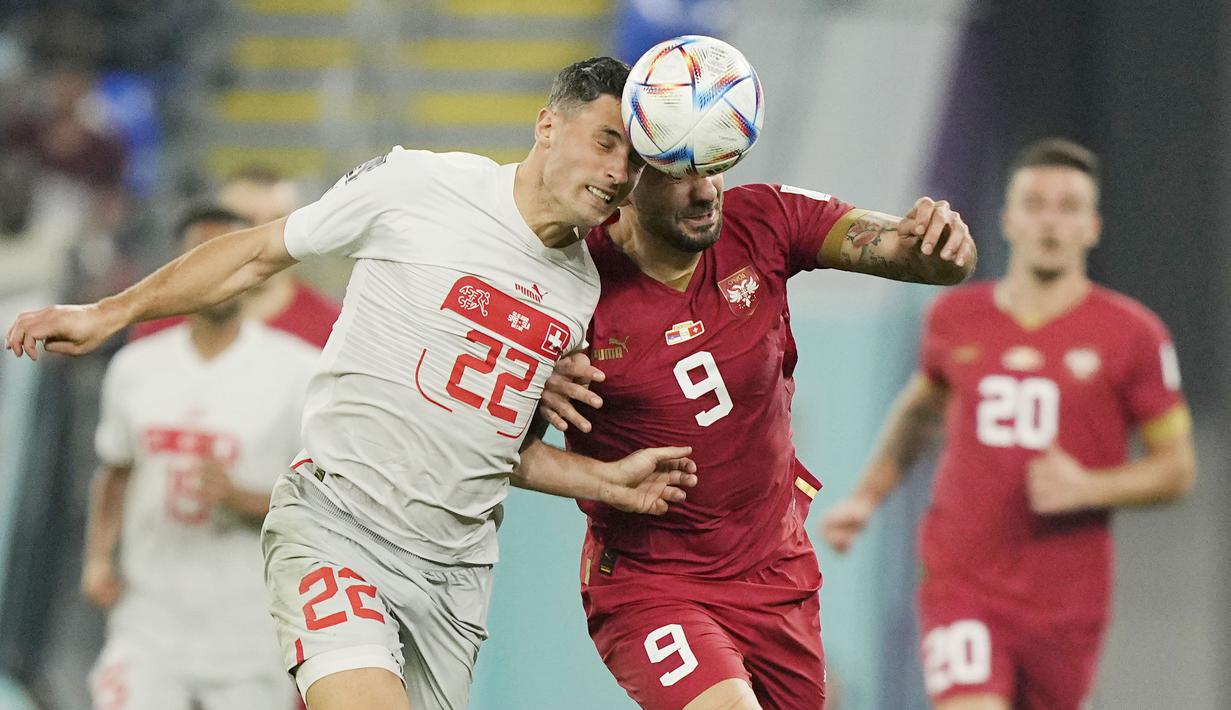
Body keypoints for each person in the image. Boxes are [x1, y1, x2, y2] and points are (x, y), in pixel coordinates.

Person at [7, 57, 698, 710]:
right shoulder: (420, 188)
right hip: (339, 526)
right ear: (548, 124)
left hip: (455, 577)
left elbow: (499, 454)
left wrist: (603, 481)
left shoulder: (579, 290)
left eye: (634, 161)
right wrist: (110, 312)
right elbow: (255, 254)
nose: (617, 173)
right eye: (607, 142)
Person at [537, 162, 976, 709]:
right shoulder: (568, 288)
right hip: (652, 582)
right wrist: (601, 477)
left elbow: (928, 261)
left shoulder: (762, 219)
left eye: (713, 168)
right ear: (626, 181)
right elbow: (500, 451)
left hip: (775, 574)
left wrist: (942, 243)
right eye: (676, 175)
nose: (704, 191)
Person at [821, 139, 1196, 710]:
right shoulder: (954, 317)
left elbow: (1177, 469)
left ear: (1091, 227)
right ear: (1009, 219)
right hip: (961, 580)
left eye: (1068, 207)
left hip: (1067, 602)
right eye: (1036, 204)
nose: (1051, 221)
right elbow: (923, 411)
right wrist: (866, 498)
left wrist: (1089, 487)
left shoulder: (1134, 336)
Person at [82, 205, 316, 710]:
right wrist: (99, 556)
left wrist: (242, 497)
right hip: (150, 619)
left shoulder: (298, 372)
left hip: (250, 628)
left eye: (225, 257)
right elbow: (117, 470)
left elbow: (322, 504)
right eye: (199, 259)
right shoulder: (135, 367)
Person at [130, 165, 342, 348]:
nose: (263, 239)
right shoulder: (161, 329)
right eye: (247, 222)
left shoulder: (333, 329)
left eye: (279, 222)